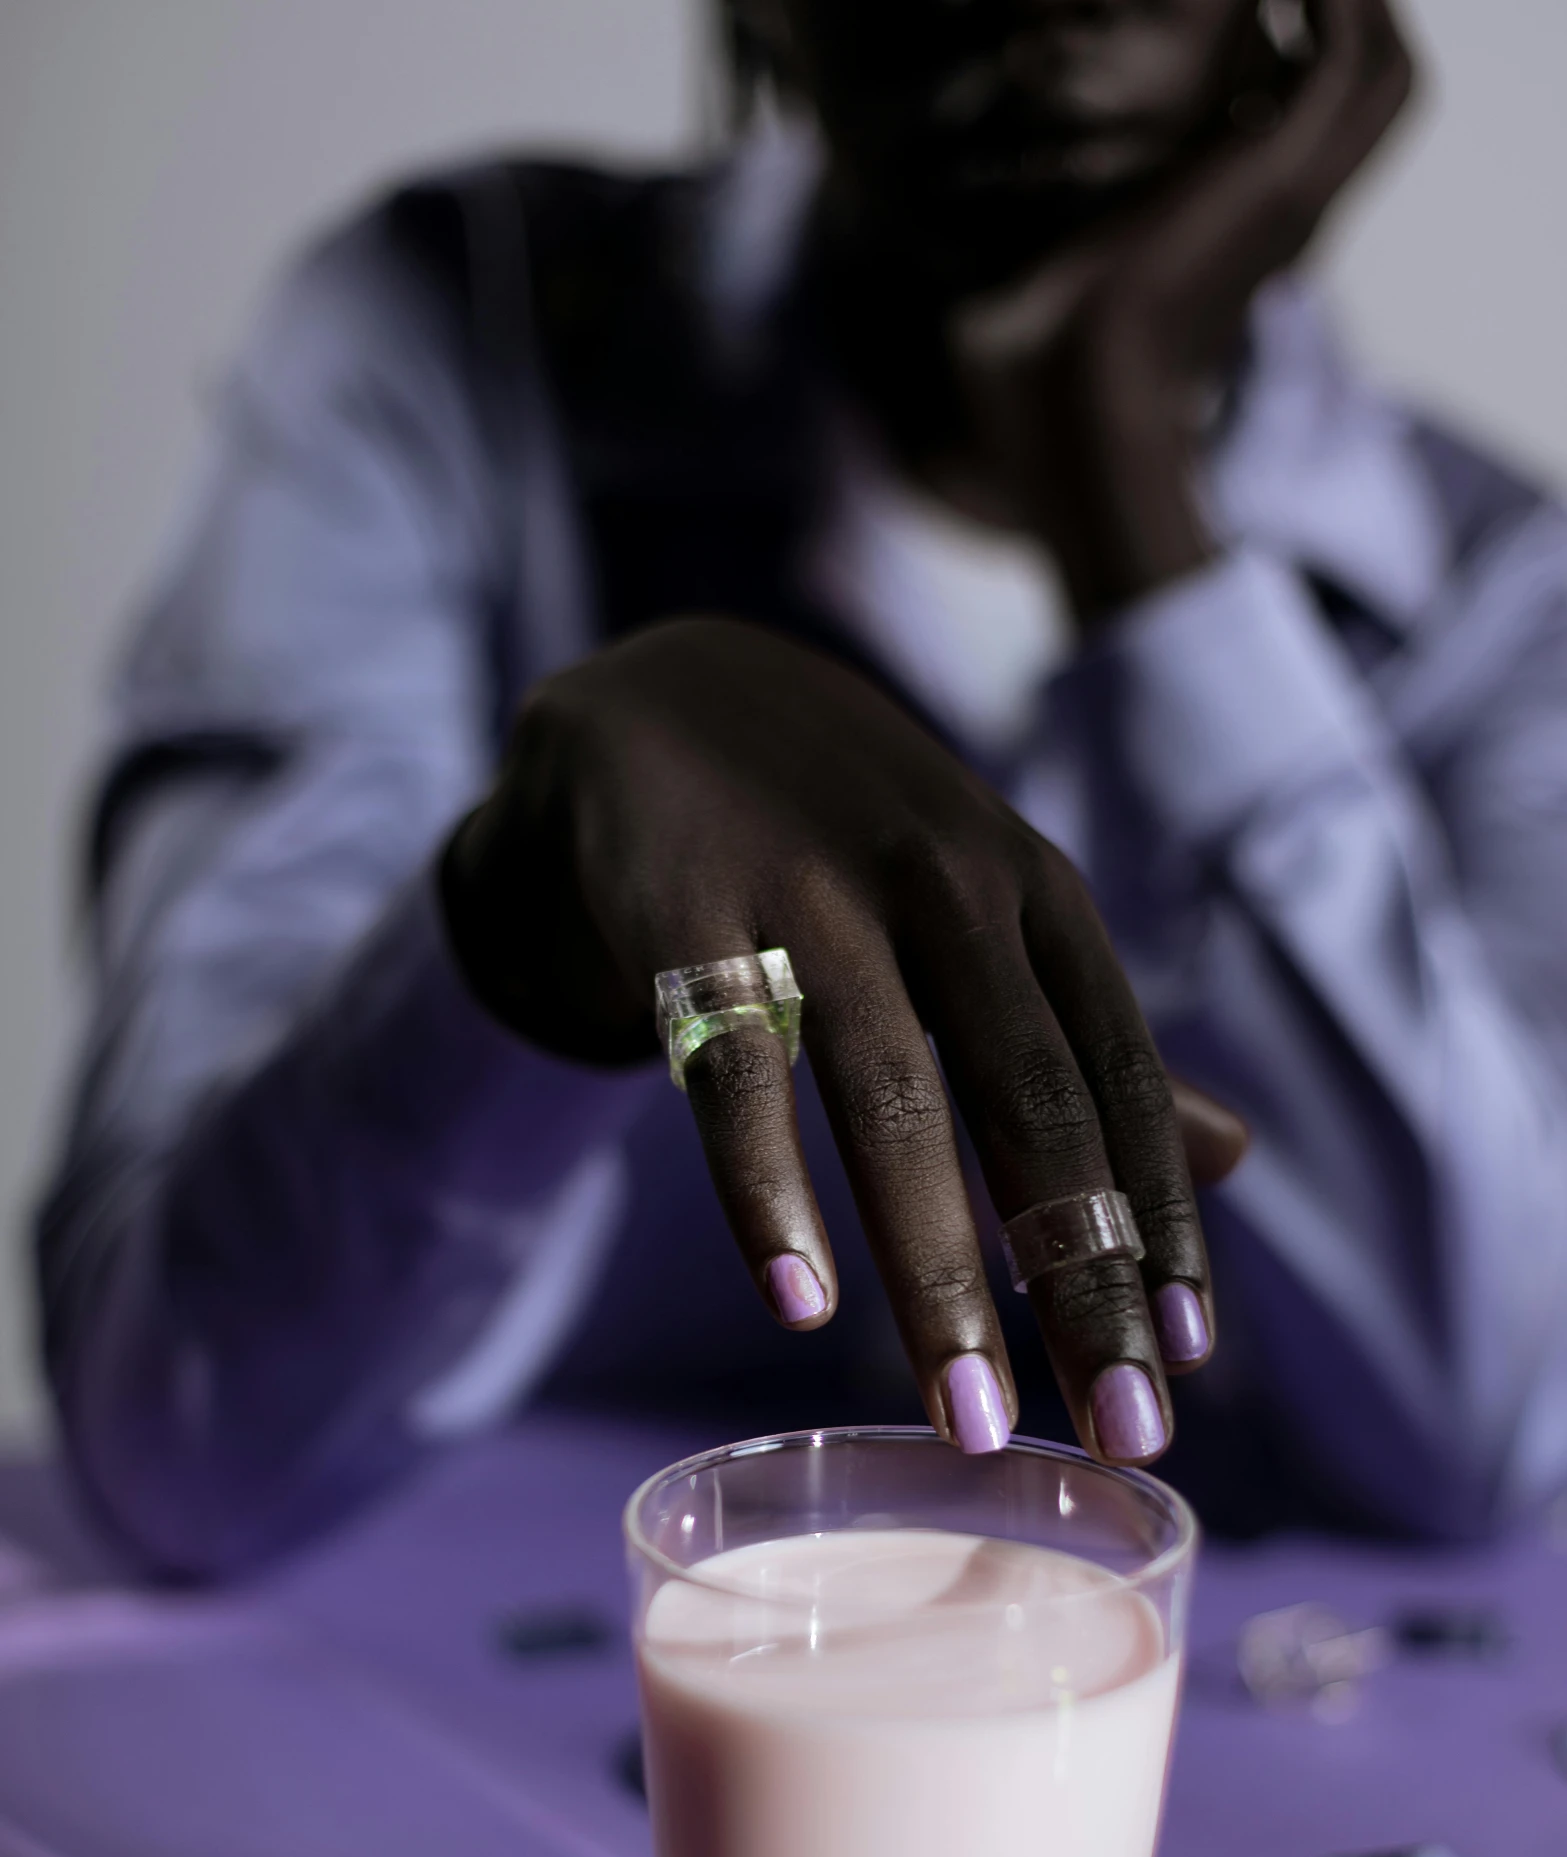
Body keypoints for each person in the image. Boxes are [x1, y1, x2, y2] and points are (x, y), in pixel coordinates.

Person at [36, 0, 1567, 1575]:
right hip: (447, 1663)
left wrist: (1124, 481)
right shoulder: (451, 333)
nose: (1045, 20)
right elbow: (174, 1448)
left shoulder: (1496, 589)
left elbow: (1484, 1428)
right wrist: (521, 930)